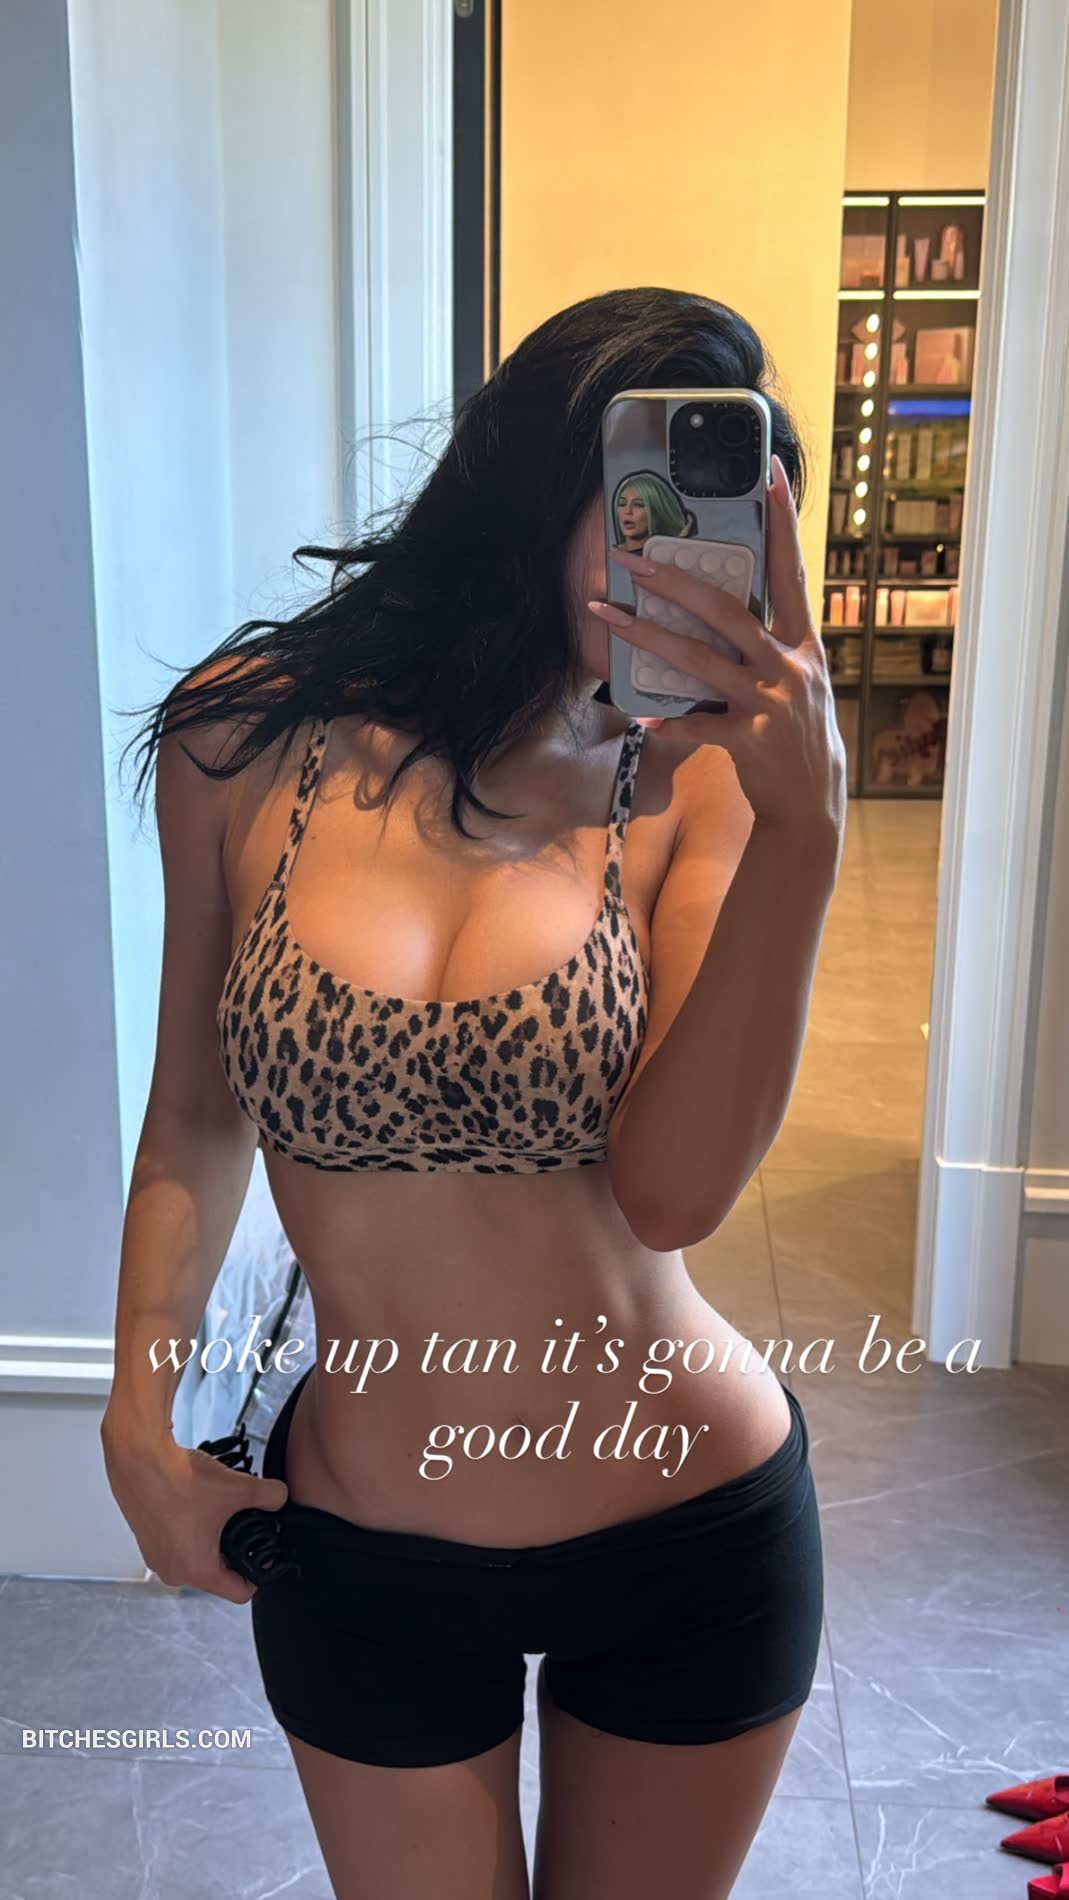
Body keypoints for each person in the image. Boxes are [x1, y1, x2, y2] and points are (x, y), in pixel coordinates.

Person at [100, 286, 847, 1900]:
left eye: (721, 526)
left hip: (686, 1525)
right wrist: (136, 1421)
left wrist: (806, 835)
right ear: (538, 479)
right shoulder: (247, 736)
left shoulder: (703, 777)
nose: (675, 560)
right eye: (642, 502)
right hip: (360, 1540)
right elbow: (195, 1116)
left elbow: (672, 1195)